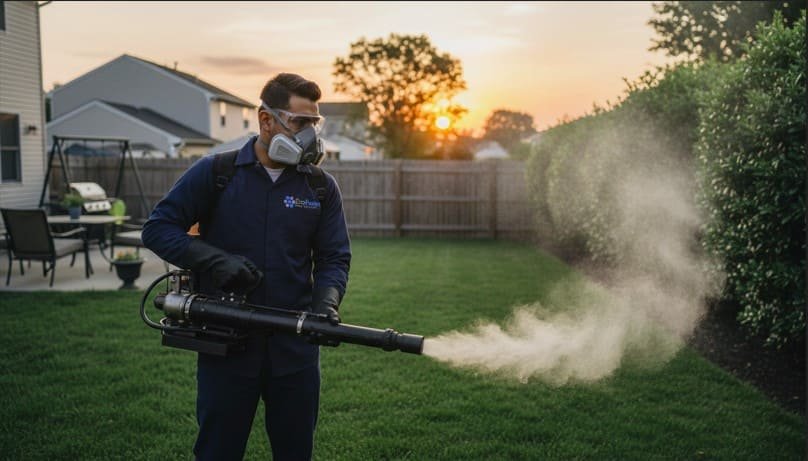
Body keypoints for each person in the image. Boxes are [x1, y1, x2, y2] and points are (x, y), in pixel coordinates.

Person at [142, 73, 351, 461]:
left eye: (313, 124)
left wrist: (326, 302)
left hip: (294, 349)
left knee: (294, 452)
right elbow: (158, 229)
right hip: (226, 345)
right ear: (266, 119)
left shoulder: (320, 187)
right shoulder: (216, 173)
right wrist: (215, 260)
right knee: (218, 451)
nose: (308, 135)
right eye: (300, 122)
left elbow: (334, 257)